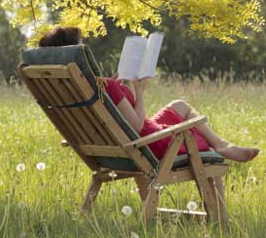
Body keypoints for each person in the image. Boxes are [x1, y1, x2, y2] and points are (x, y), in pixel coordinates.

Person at [38, 27, 260, 162]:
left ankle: (221, 144)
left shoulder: (77, 89)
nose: (85, 47)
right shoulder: (102, 87)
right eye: (80, 45)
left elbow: (109, 119)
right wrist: (139, 91)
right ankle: (219, 149)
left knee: (179, 105)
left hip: (114, 147)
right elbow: (136, 127)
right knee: (197, 138)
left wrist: (115, 87)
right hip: (150, 146)